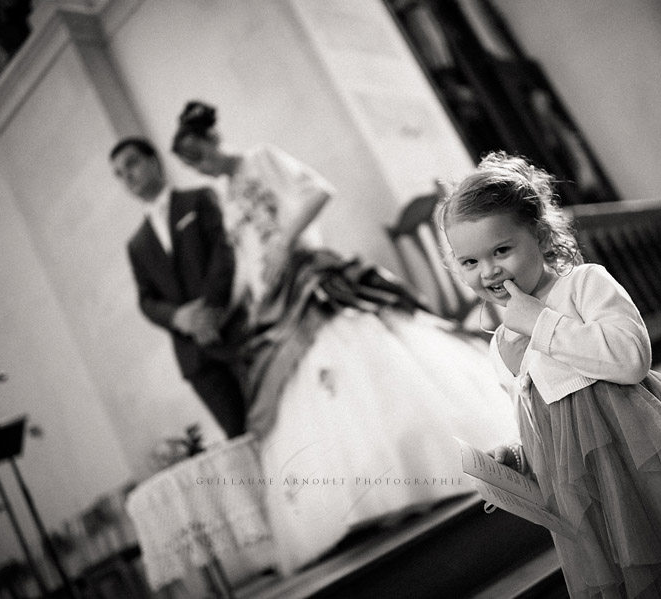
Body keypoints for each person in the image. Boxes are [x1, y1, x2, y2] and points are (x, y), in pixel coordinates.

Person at [170, 101, 520, 575]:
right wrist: (233, 303)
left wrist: (283, 242)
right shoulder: (225, 195)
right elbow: (245, 261)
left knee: (351, 348)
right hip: (273, 296)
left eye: (200, 154)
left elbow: (317, 192)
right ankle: (356, 502)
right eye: (191, 165)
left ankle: (416, 469)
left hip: (308, 271)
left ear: (213, 139)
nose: (200, 166)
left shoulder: (261, 159)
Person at [437, 150, 661, 598]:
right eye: (470, 262)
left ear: (542, 236)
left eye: (502, 250)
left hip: (644, 460)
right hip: (590, 494)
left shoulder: (583, 285)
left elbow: (630, 360)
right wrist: (518, 457)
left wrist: (540, 322)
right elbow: (544, 413)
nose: (489, 271)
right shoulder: (499, 342)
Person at [110, 137, 248, 439]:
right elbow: (146, 301)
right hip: (196, 359)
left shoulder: (198, 199)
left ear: (154, 162)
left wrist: (208, 312)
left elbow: (223, 253)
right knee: (240, 438)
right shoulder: (136, 245)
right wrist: (179, 318)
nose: (127, 176)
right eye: (119, 174)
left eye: (131, 164)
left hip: (234, 331)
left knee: (272, 416)